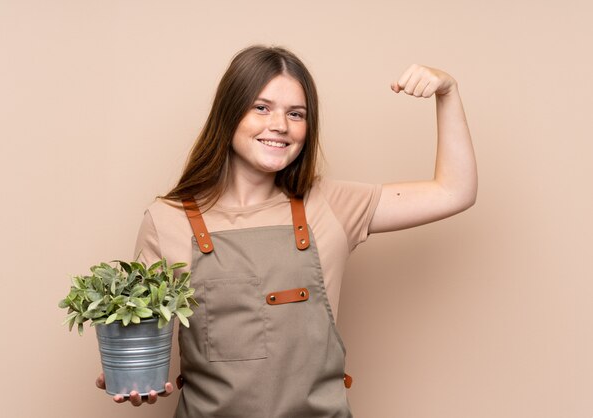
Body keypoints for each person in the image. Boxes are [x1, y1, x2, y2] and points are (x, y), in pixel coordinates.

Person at [96, 45, 477, 416]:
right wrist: (132, 376)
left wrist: (448, 92)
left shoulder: (330, 203)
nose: (280, 125)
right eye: (261, 108)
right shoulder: (167, 220)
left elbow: (454, 191)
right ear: (229, 114)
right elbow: (137, 330)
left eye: (296, 114)